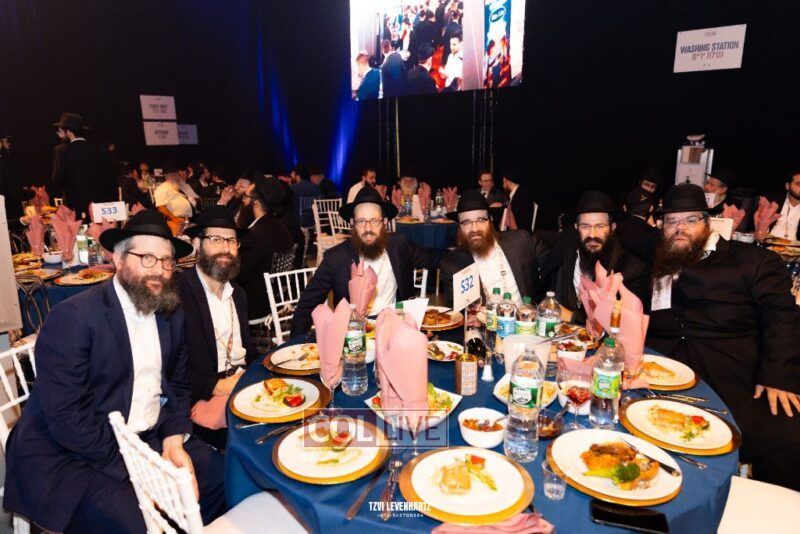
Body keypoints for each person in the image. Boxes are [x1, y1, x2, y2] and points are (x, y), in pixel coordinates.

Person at [3, 210, 226, 532]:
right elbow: (68, 418)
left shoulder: (171, 313)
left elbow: (178, 385)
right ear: (118, 260)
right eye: (146, 258)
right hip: (73, 452)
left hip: (145, 435)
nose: (159, 270)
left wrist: (173, 441)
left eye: (166, 261)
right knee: (136, 523)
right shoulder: (74, 317)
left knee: (221, 475)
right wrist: (140, 472)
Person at [646, 183, 800, 491]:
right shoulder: (660, 262)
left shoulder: (752, 261)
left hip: (731, 371)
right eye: (672, 221)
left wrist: (778, 376)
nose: (680, 228)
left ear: (708, 222)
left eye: (690, 219)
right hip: (665, 371)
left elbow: (782, 316)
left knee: (786, 438)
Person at [289, 187, 436, 336]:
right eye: (361, 221)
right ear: (352, 222)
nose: (368, 228)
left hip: (396, 332)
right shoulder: (336, 258)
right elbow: (306, 306)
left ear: (384, 222)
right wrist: (295, 344)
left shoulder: (399, 244)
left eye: (374, 221)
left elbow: (433, 259)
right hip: (354, 338)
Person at [180, 206, 257, 450]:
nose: (225, 248)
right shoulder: (178, 295)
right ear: (197, 243)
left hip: (243, 385)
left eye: (231, 240)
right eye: (216, 239)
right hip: (206, 399)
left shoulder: (238, 294)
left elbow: (248, 350)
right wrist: (216, 386)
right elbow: (166, 370)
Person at [543, 191, 649, 324]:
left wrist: (572, 317)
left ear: (612, 228)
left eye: (600, 226)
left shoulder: (632, 269)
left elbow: (628, 323)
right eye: (585, 226)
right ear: (576, 228)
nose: (592, 234)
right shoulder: (565, 255)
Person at [439, 191, 547, 308]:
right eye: (466, 222)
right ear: (459, 227)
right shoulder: (452, 264)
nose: (474, 229)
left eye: (481, 220)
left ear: (490, 220)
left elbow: (554, 266)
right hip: (484, 319)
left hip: (527, 317)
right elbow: (455, 308)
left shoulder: (522, 241)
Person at [236, 175, 294, 321]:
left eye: (245, 196)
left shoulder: (255, 237)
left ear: (255, 203)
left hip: (255, 305)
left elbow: (239, 275)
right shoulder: (280, 226)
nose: (242, 200)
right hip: (275, 298)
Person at [51, 112, 116, 218]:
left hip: (76, 209)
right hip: (102, 208)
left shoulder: (61, 151)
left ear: (68, 132)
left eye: (62, 131)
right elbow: (112, 180)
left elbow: (58, 179)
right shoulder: (101, 151)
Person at [615, 186, 657, 261]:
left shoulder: (616, 229)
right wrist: (654, 227)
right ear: (651, 208)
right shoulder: (653, 234)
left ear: (624, 208)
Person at [154, 161, 193, 234]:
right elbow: (161, 208)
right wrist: (175, 219)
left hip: (186, 221)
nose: (175, 176)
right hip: (175, 222)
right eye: (172, 174)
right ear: (165, 175)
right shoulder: (162, 188)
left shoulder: (178, 186)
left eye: (176, 173)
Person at [761, 170, 800, 241]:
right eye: (799, 184)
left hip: (795, 247)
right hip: (767, 244)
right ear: (787, 186)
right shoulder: (772, 202)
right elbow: (753, 228)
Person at [289, 163, 320, 228]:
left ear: (297, 175)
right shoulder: (316, 187)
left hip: (299, 221)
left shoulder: (293, 188)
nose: (290, 175)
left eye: (292, 173)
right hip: (314, 219)